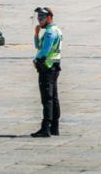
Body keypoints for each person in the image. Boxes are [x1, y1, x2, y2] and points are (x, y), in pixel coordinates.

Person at [31, 7, 63, 138]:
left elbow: (43, 50)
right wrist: (36, 34)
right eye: (38, 17)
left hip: (47, 68)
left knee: (47, 98)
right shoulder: (56, 30)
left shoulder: (50, 33)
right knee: (53, 97)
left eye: (42, 17)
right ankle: (54, 127)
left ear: (49, 17)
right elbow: (39, 46)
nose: (39, 20)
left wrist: (36, 60)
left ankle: (46, 128)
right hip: (54, 66)